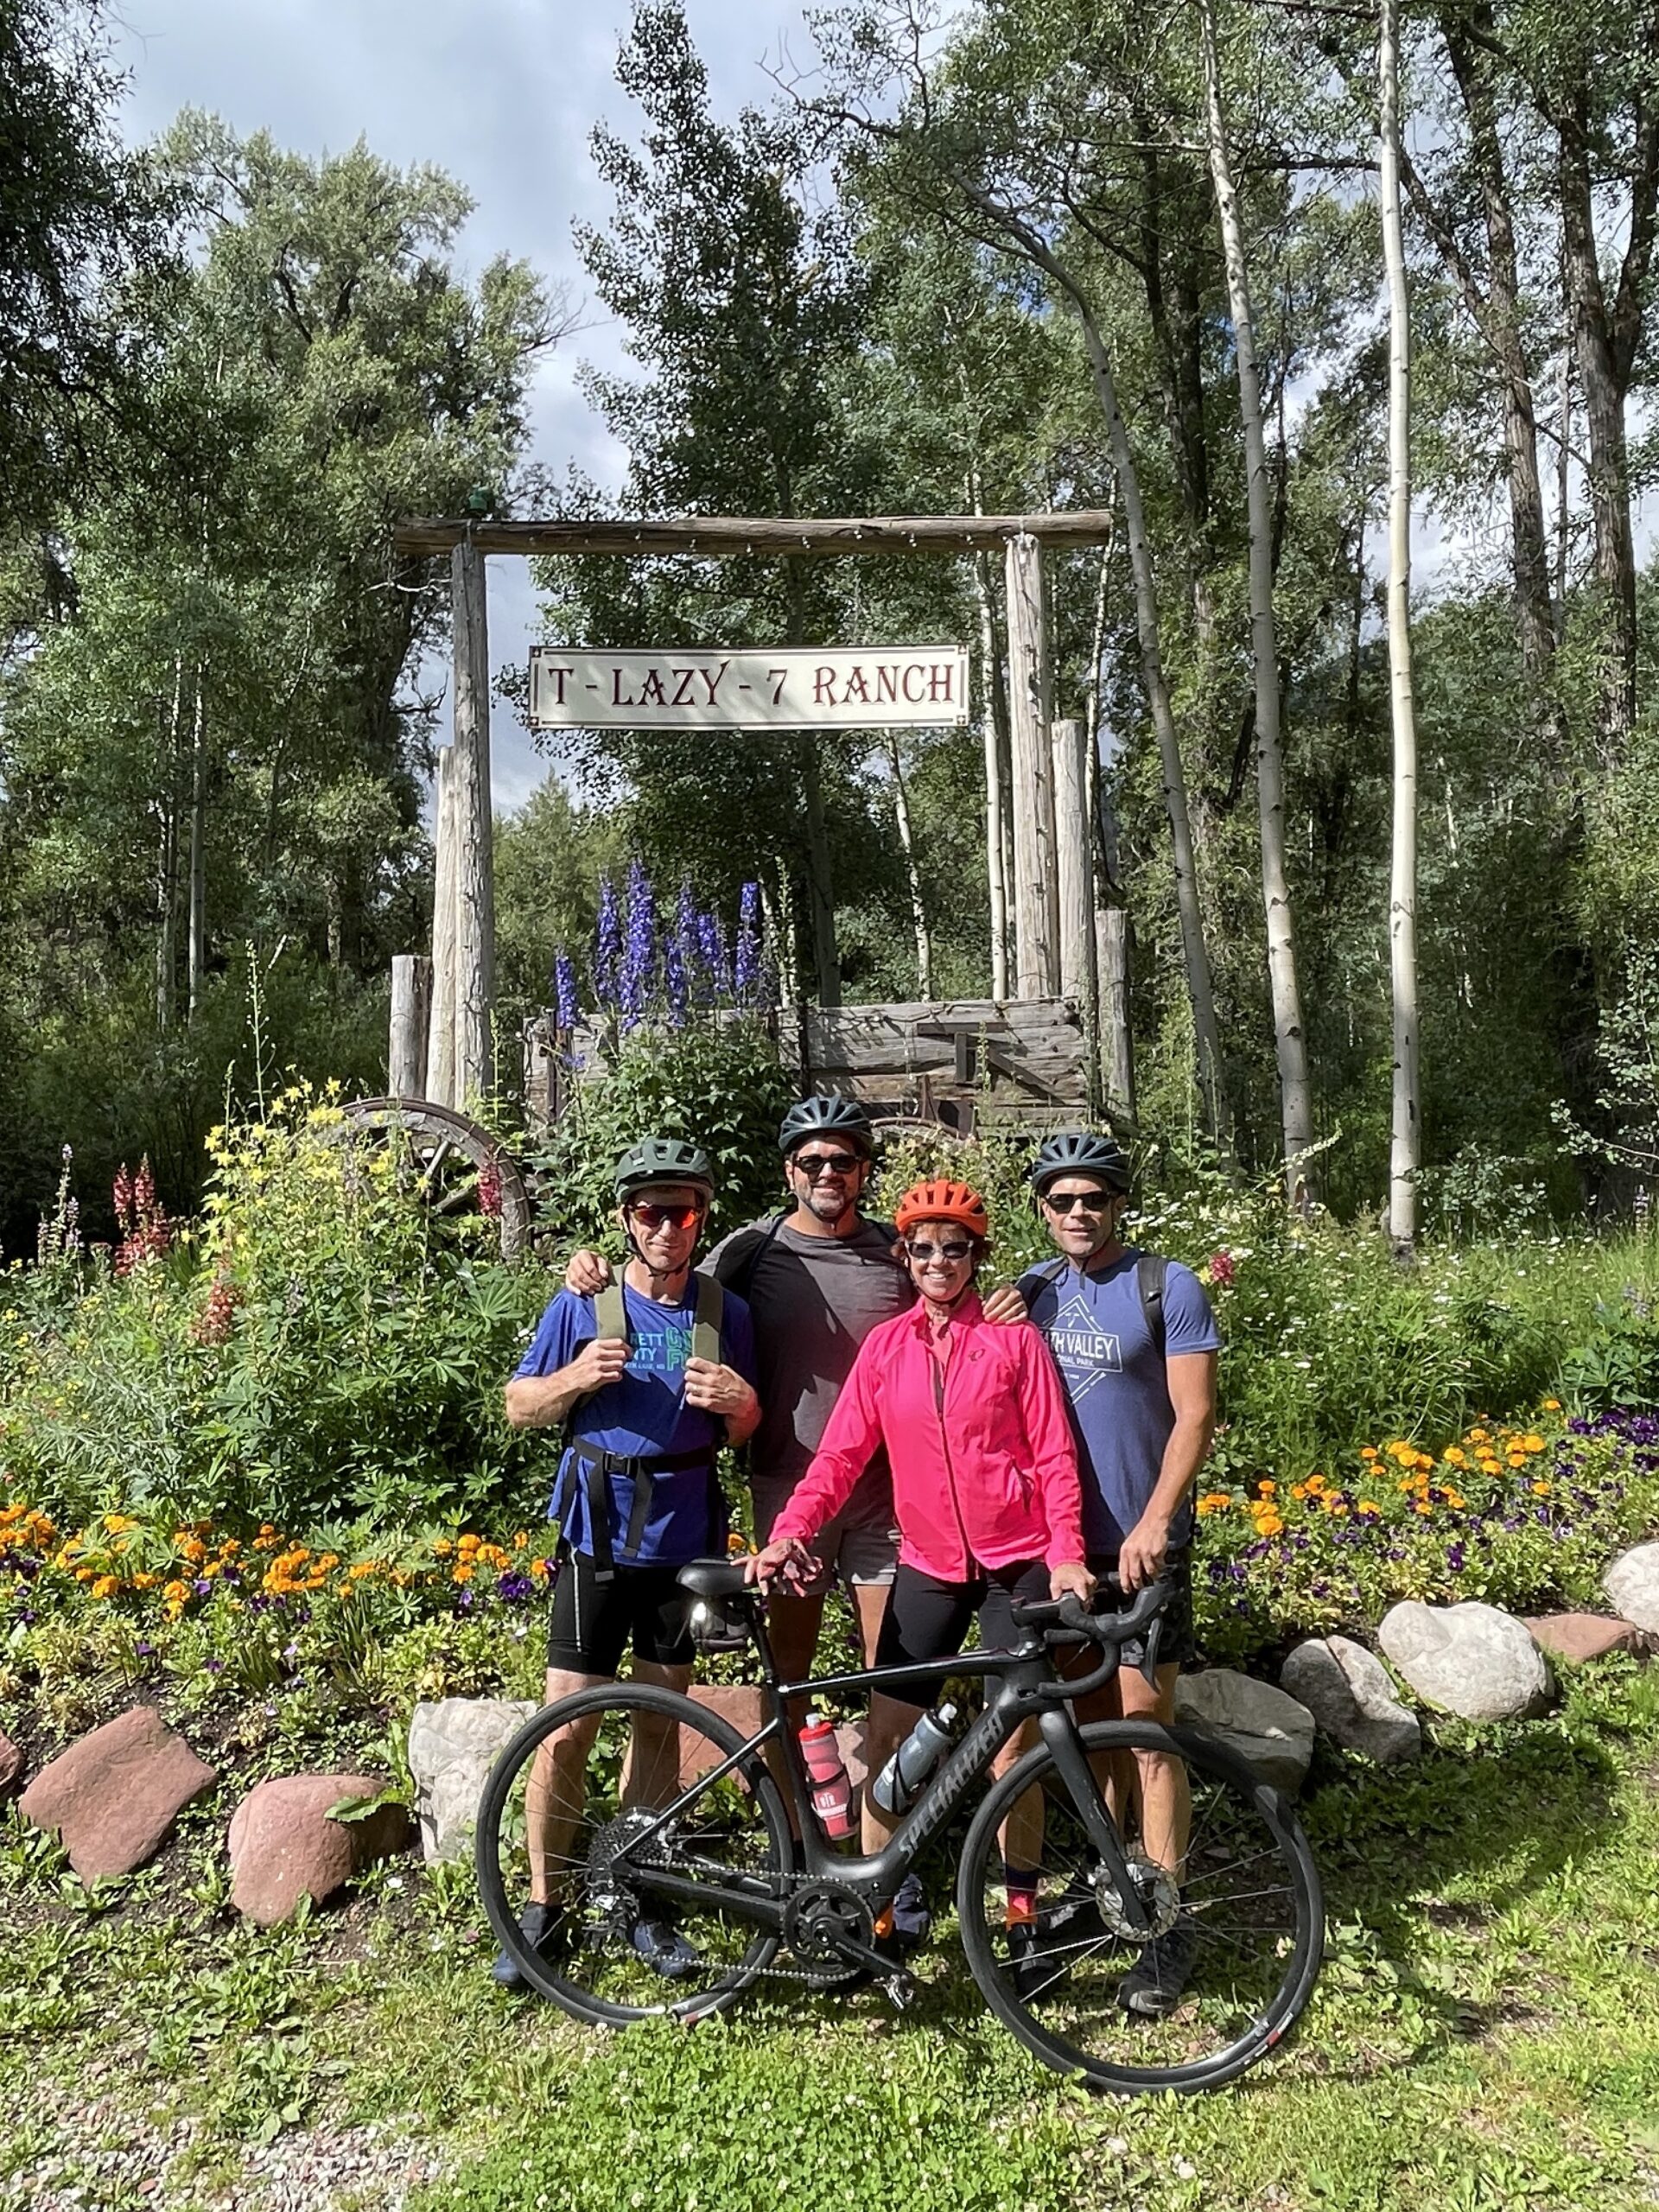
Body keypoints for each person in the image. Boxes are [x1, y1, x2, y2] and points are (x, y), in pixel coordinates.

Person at [747, 1177, 1092, 1984]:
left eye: (956, 1247)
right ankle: (881, 1913)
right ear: (903, 1256)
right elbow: (839, 1456)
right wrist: (792, 1528)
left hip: (1017, 1562)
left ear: (977, 1256)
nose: (939, 1261)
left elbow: (1053, 1456)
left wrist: (1068, 1553)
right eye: (924, 1248)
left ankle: (1021, 1919)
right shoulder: (887, 1348)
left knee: (1014, 1750)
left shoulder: (1014, 1342)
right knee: (886, 1736)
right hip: (929, 1564)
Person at [492, 1136, 760, 1990]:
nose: (667, 1227)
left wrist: (742, 1403)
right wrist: (575, 1376)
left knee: (658, 1719)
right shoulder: (585, 1301)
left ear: (701, 1218)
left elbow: (747, 1429)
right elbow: (519, 1406)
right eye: (651, 1212)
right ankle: (545, 1903)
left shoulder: (723, 1311)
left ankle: (634, 1890)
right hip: (598, 1538)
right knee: (565, 1726)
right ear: (626, 1218)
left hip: (684, 1544)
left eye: (682, 1211)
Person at [1017, 1130, 1220, 2016]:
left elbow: (1195, 1416)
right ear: (1043, 1210)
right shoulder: (1031, 1292)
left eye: (1093, 1198)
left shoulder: (1166, 1286)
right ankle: (1110, 1882)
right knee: (1087, 1724)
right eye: (1062, 1200)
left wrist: (1155, 1521)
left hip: (1144, 1543)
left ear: (1118, 1204)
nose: (1078, 1213)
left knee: (1147, 1730)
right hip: (1065, 1546)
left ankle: (1167, 1918)